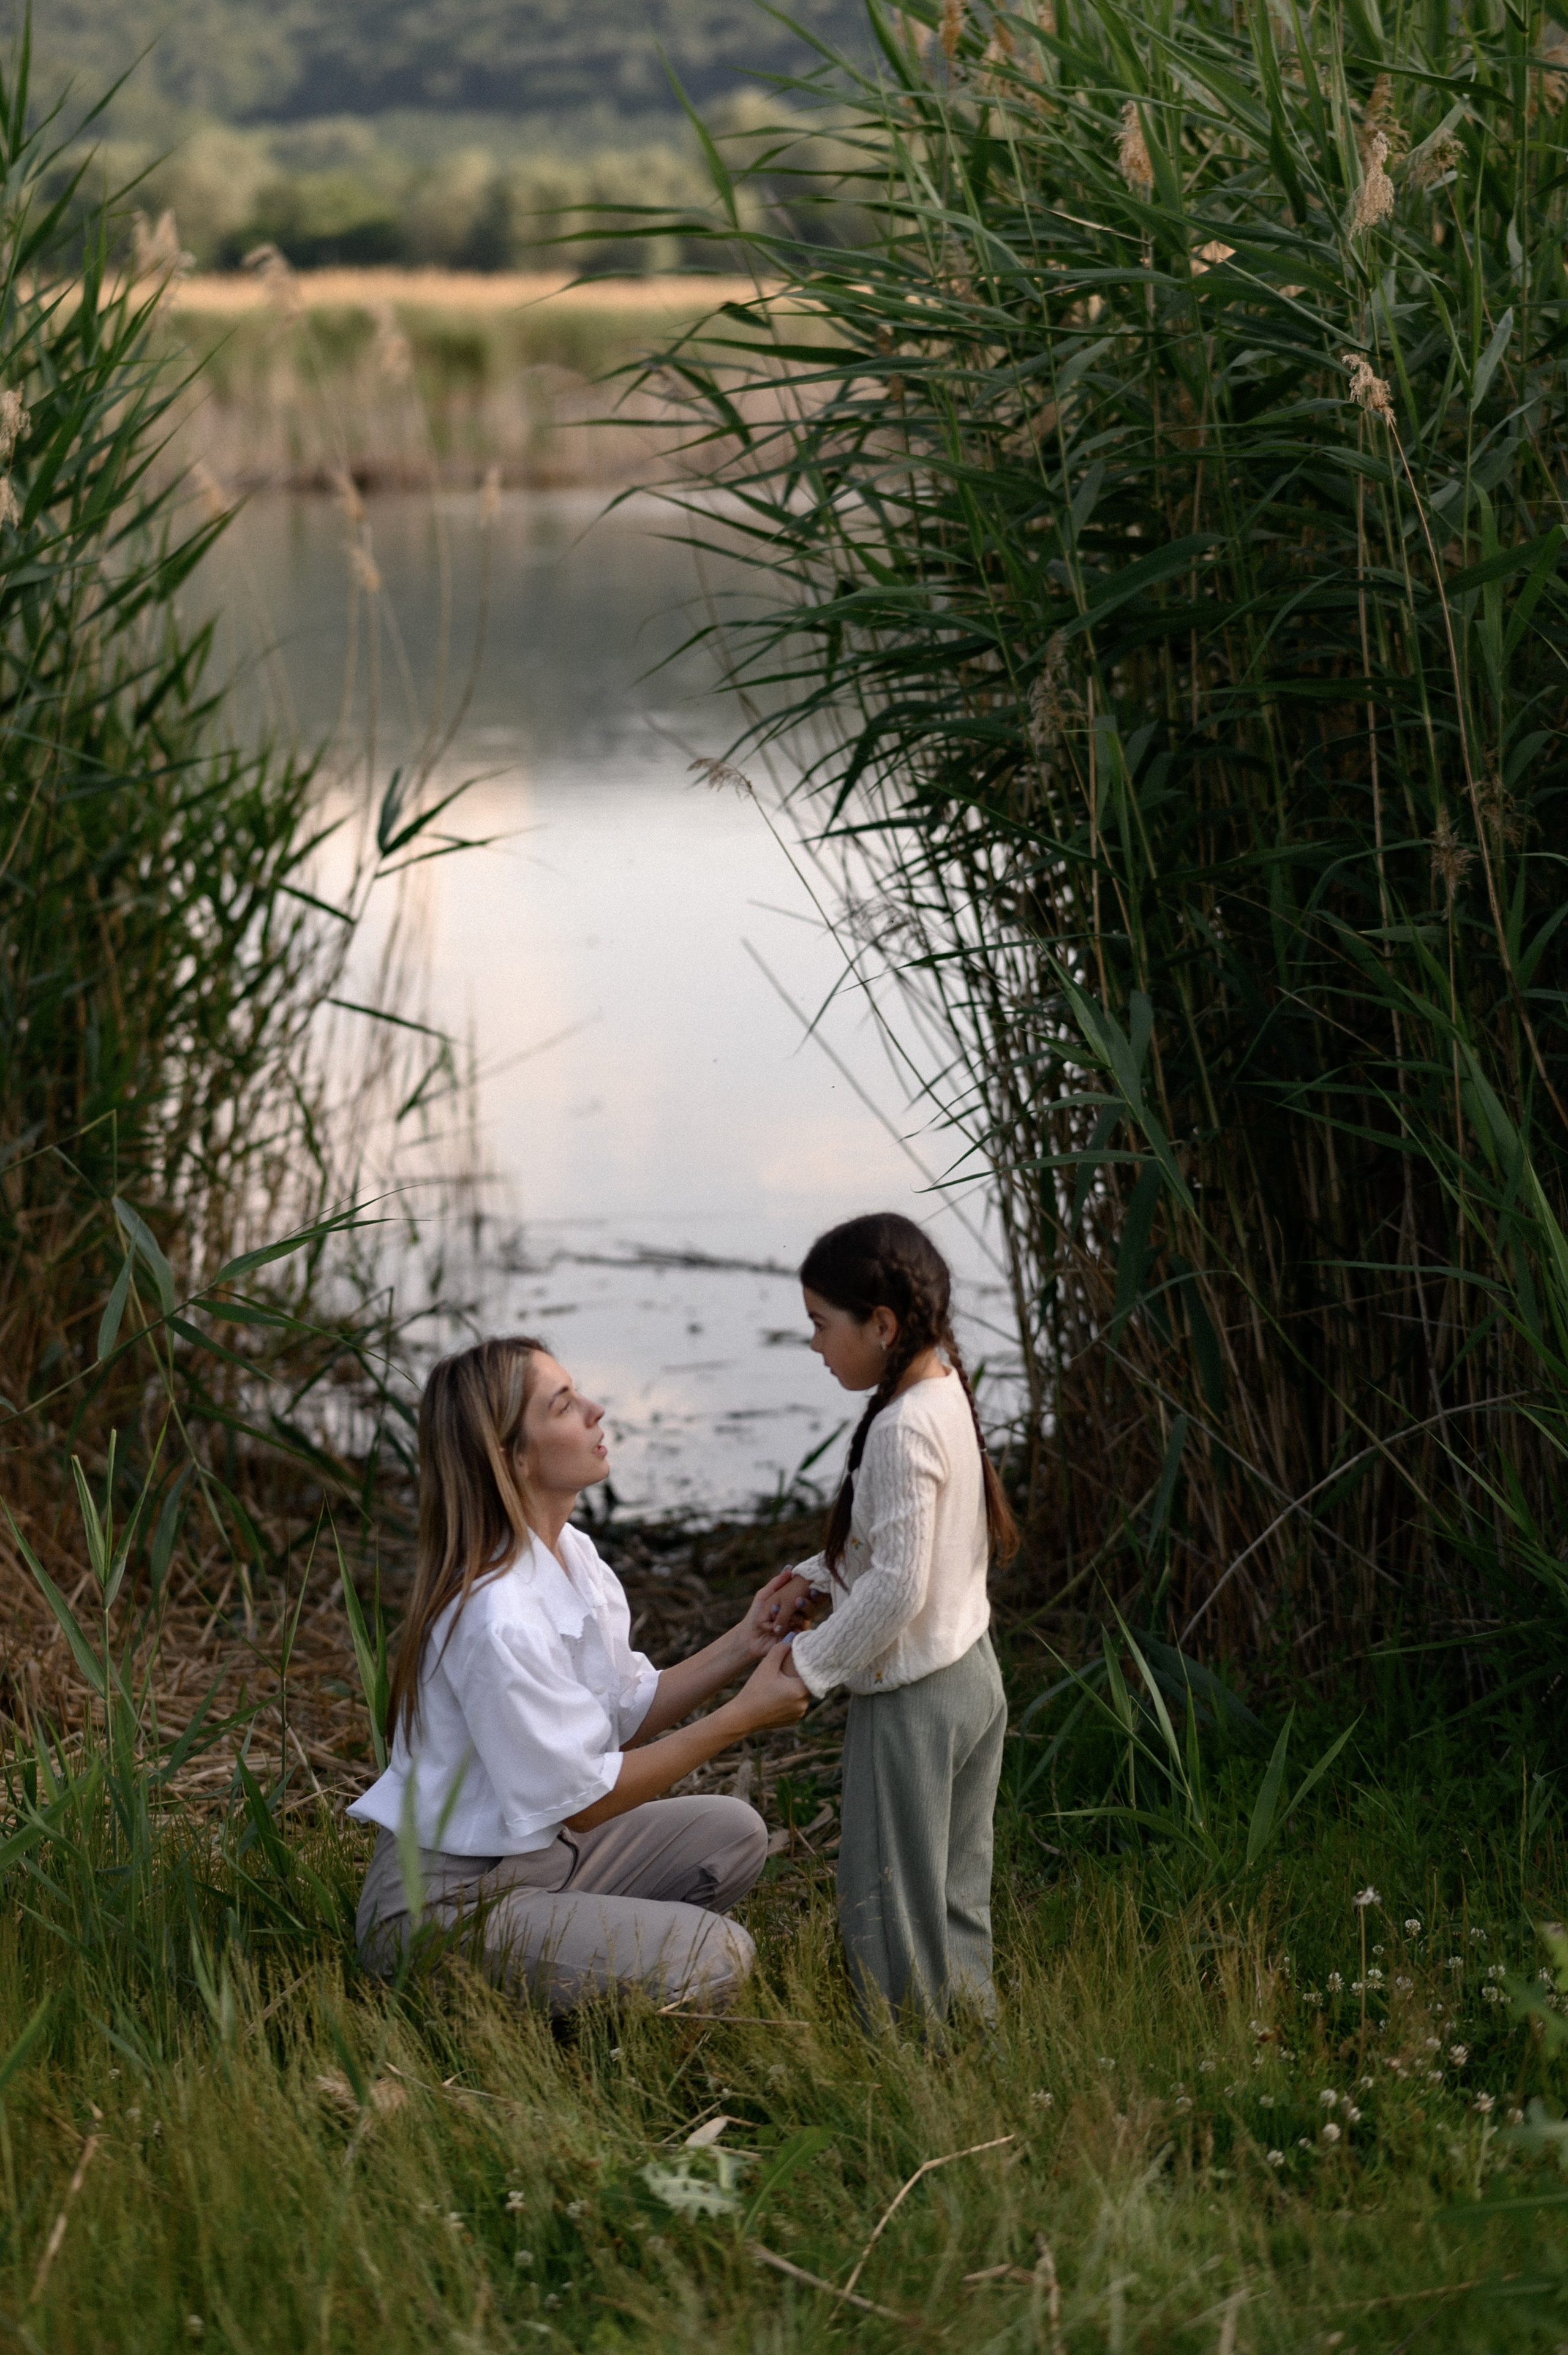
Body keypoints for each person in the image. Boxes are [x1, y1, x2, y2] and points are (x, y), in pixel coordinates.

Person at [349, 1334, 808, 2016]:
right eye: (563, 1405)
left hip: (545, 1861)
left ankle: (568, 1974)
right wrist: (740, 1718)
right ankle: (526, 1998)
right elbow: (587, 1803)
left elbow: (621, 1708)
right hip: (442, 1905)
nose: (595, 1410)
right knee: (718, 1954)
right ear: (515, 1458)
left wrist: (746, 1642)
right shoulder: (494, 1615)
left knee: (732, 1833)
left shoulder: (571, 1553)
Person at [766, 1213, 1019, 2023]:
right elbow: (914, 1549)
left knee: (888, 1900)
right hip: (972, 1676)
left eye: (819, 1325)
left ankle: (906, 2066)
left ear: (881, 1325)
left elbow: (898, 1587)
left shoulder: (902, 1427)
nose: (812, 1345)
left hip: (914, 1701)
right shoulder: (942, 1387)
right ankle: (975, 2035)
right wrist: (813, 1578)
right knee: (953, 1890)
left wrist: (811, 1667)